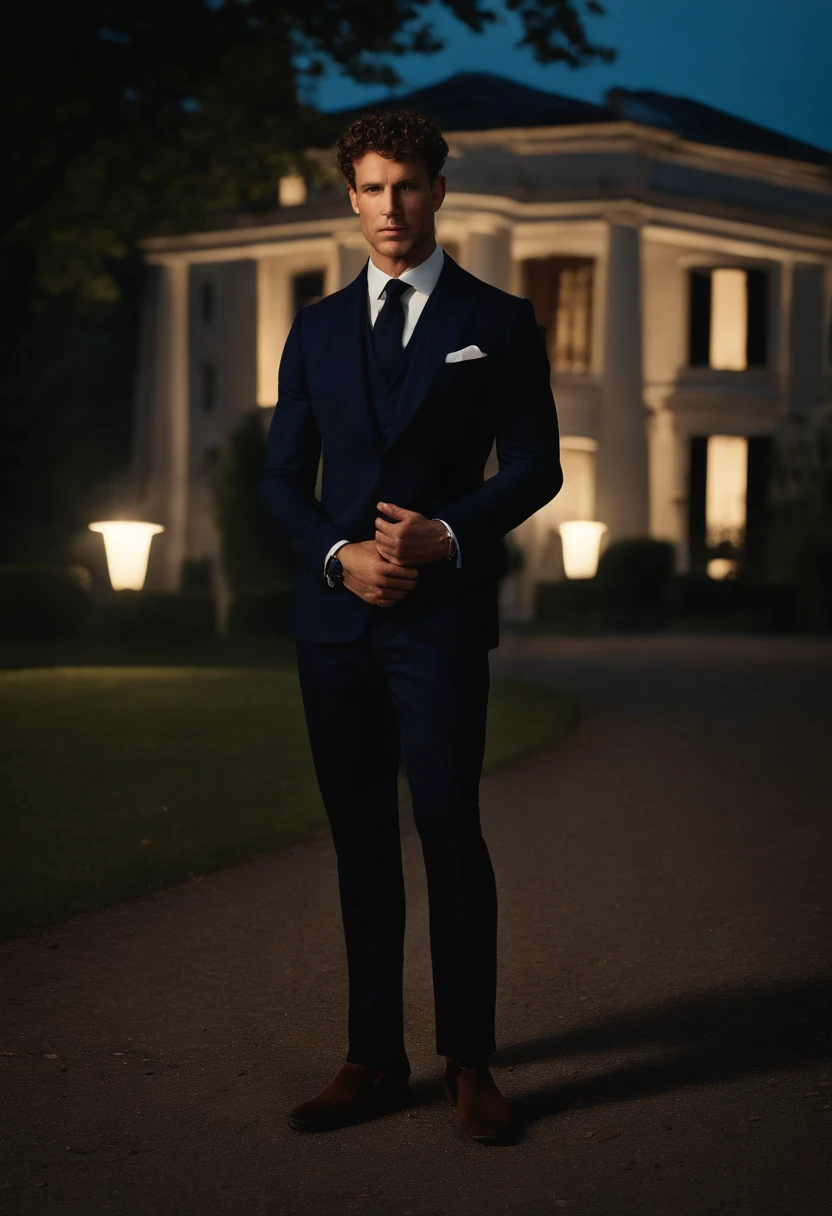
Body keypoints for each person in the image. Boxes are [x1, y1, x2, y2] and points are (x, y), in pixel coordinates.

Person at [259, 108, 562, 1143]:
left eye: (409, 185)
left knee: (446, 828)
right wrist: (339, 560)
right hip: (334, 625)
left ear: (439, 191)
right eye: (372, 188)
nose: (391, 206)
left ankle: (467, 1061)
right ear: (351, 197)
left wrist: (449, 531)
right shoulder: (312, 330)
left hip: (438, 623)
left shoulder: (499, 321)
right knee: (357, 843)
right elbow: (282, 480)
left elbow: (535, 465)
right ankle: (370, 1056)